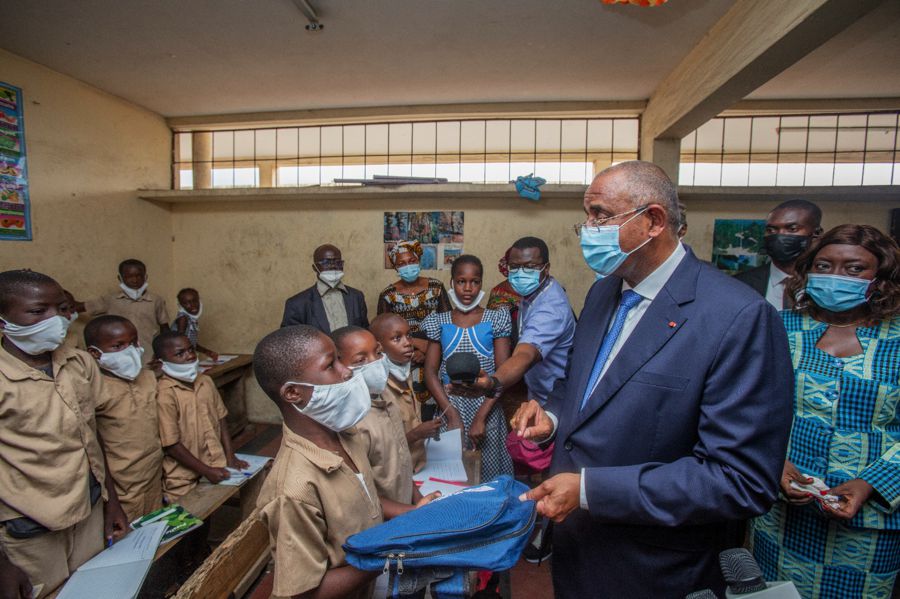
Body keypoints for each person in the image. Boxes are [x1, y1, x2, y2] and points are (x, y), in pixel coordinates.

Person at [511, 160, 793, 598]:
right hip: (578, 551)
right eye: (587, 216)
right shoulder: (604, 291)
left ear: (653, 221)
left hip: (655, 567)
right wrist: (552, 413)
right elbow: (581, 382)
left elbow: (740, 480)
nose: (587, 228)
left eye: (600, 215)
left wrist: (590, 490)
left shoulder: (736, 317)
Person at [749, 224, 900, 599]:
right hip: (780, 515)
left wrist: (868, 485)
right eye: (823, 266)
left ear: (880, 279)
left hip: (869, 525)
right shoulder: (780, 328)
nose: (834, 277)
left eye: (853, 269)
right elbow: (749, 409)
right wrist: (773, 463)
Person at [253, 325, 437, 599]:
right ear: (293, 393)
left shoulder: (345, 435)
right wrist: (391, 549)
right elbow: (305, 593)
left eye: (340, 359)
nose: (347, 371)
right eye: (331, 365)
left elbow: (368, 501)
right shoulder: (294, 489)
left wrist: (411, 515)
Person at [0, 270, 128, 598]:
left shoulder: (79, 363)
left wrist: (111, 501)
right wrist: (2, 562)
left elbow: (92, 436)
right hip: (28, 528)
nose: (54, 319)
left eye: (59, 308)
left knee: (94, 589)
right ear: (3, 321)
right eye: (37, 311)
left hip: (88, 507)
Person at [422, 255, 513, 481]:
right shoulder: (439, 321)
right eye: (461, 281)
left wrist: (481, 418)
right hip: (449, 407)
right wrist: (451, 414)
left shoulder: (496, 318)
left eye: (475, 281)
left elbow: (503, 374)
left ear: (481, 283)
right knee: (450, 477)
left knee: (488, 474)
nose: (468, 288)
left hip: (488, 408)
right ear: (452, 282)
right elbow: (431, 372)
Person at [457, 237, 575, 408]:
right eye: (515, 267)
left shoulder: (551, 307)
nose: (521, 273)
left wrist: (493, 383)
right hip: (538, 393)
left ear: (546, 268)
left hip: (555, 400)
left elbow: (526, 354)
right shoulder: (533, 292)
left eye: (529, 267)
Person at [85, 315, 164, 522]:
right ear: (95, 353)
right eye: (118, 346)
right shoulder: (94, 389)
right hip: (121, 484)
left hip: (153, 473)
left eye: (133, 342)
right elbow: (94, 446)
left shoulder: (147, 377)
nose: (130, 350)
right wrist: (111, 500)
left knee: (153, 529)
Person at [154, 331, 247, 501]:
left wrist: (230, 455)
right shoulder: (165, 394)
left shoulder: (205, 381)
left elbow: (221, 418)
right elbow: (171, 445)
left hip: (214, 462)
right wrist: (205, 470)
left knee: (211, 510)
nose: (189, 356)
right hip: (183, 477)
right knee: (191, 519)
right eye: (180, 353)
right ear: (161, 363)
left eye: (190, 350)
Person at [333, 326, 420, 504]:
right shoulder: (350, 422)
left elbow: (400, 460)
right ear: (340, 366)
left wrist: (418, 499)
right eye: (360, 360)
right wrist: (412, 513)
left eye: (378, 353)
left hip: (405, 504)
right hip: (384, 522)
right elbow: (361, 496)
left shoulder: (386, 396)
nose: (375, 362)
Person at [377, 240, 451, 408]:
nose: (408, 266)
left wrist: (429, 352)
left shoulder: (436, 287)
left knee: (437, 407)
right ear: (395, 267)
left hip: (437, 354)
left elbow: (448, 324)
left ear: (418, 260)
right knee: (409, 408)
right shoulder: (388, 295)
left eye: (411, 261)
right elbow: (382, 332)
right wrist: (416, 345)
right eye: (401, 263)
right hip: (402, 361)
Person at [369, 312, 441, 473]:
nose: (408, 343)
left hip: (417, 467)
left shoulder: (406, 374)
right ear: (379, 347)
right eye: (397, 338)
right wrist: (417, 434)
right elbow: (378, 449)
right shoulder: (378, 388)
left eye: (409, 335)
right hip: (395, 473)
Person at [74, 258, 169, 364]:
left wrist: (162, 354)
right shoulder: (110, 299)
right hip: (119, 355)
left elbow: (165, 329)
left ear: (146, 277)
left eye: (139, 276)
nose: (135, 280)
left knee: (148, 378)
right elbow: (81, 307)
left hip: (148, 355)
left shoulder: (156, 300)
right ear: (120, 278)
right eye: (129, 277)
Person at [735, 199, 823, 310]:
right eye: (771, 230)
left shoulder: (827, 282)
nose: (779, 236)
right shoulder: (740, 283)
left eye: (792, 229)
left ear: (816, 234)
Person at [280, 244, 369, 333]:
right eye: (326, 263)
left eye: (337, 262)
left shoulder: (357, 297)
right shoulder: (297, 304)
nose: (333, 266)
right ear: (315, 267)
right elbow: (291, 341)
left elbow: (364, 332)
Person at [171, 287, 219, 361]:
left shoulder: (191, 319)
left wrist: (207, 352)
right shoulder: (183, 319)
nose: (192, 305)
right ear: (180, 305)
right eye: (186, 303)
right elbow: (180, 342)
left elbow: (190, 342)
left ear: (199, 301)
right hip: (180, 359)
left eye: (195, 301)